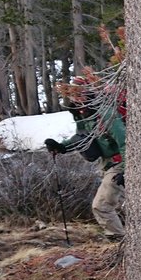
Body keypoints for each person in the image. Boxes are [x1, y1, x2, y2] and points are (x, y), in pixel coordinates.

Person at [44, 78, 127, 240]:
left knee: (101, 206)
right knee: (120, 205)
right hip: (107, 164)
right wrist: (61, 147)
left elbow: (125, 141)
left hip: (119, 164)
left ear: (89, 92)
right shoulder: (85, 113)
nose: (76, 98)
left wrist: (126, 170)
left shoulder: (105, 112)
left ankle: (119, 241)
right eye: (72, 94)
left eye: (79, 93)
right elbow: (83, 138)